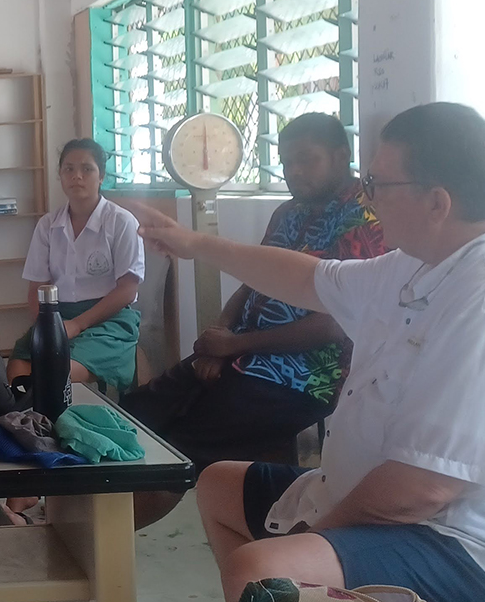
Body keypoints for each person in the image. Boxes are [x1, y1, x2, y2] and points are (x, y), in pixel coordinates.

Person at [133, 103, 485, 602]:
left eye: (378, 185)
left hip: (464, 546)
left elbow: (421, 491)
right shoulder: (422, 263)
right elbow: (306, 277)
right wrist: (193, 242)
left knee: (262, 569)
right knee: (219, 485)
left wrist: (318, 534)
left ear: (438, 203)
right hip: (370, 493)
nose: (368, 198)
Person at [121, 113, 387, 528]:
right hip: (239, 356)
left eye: (306, 160)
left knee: (178, 450)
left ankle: (104, 548)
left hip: (302, 378)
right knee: (138, 412)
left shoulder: (365, 222)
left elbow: (334, 324)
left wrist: (233, 348)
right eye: (286, 161)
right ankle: (65, 518)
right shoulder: (287, 213)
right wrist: (221, 335)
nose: (293, 172)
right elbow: (252, 280)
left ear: (341, 156)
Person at [0, 138, 145, 525]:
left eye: (86, 169)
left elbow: (127, 288)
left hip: (108, 320)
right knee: (19, 373)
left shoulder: (120, 221)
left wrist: (76, 325)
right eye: (68, 169)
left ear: (102, 176)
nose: (77, 176)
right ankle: (37, 477)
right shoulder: (49, 224)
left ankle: (28, 489)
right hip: (55, 316)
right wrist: (47, 326)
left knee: (53, 379)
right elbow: (36, 288)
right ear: (60, 175)